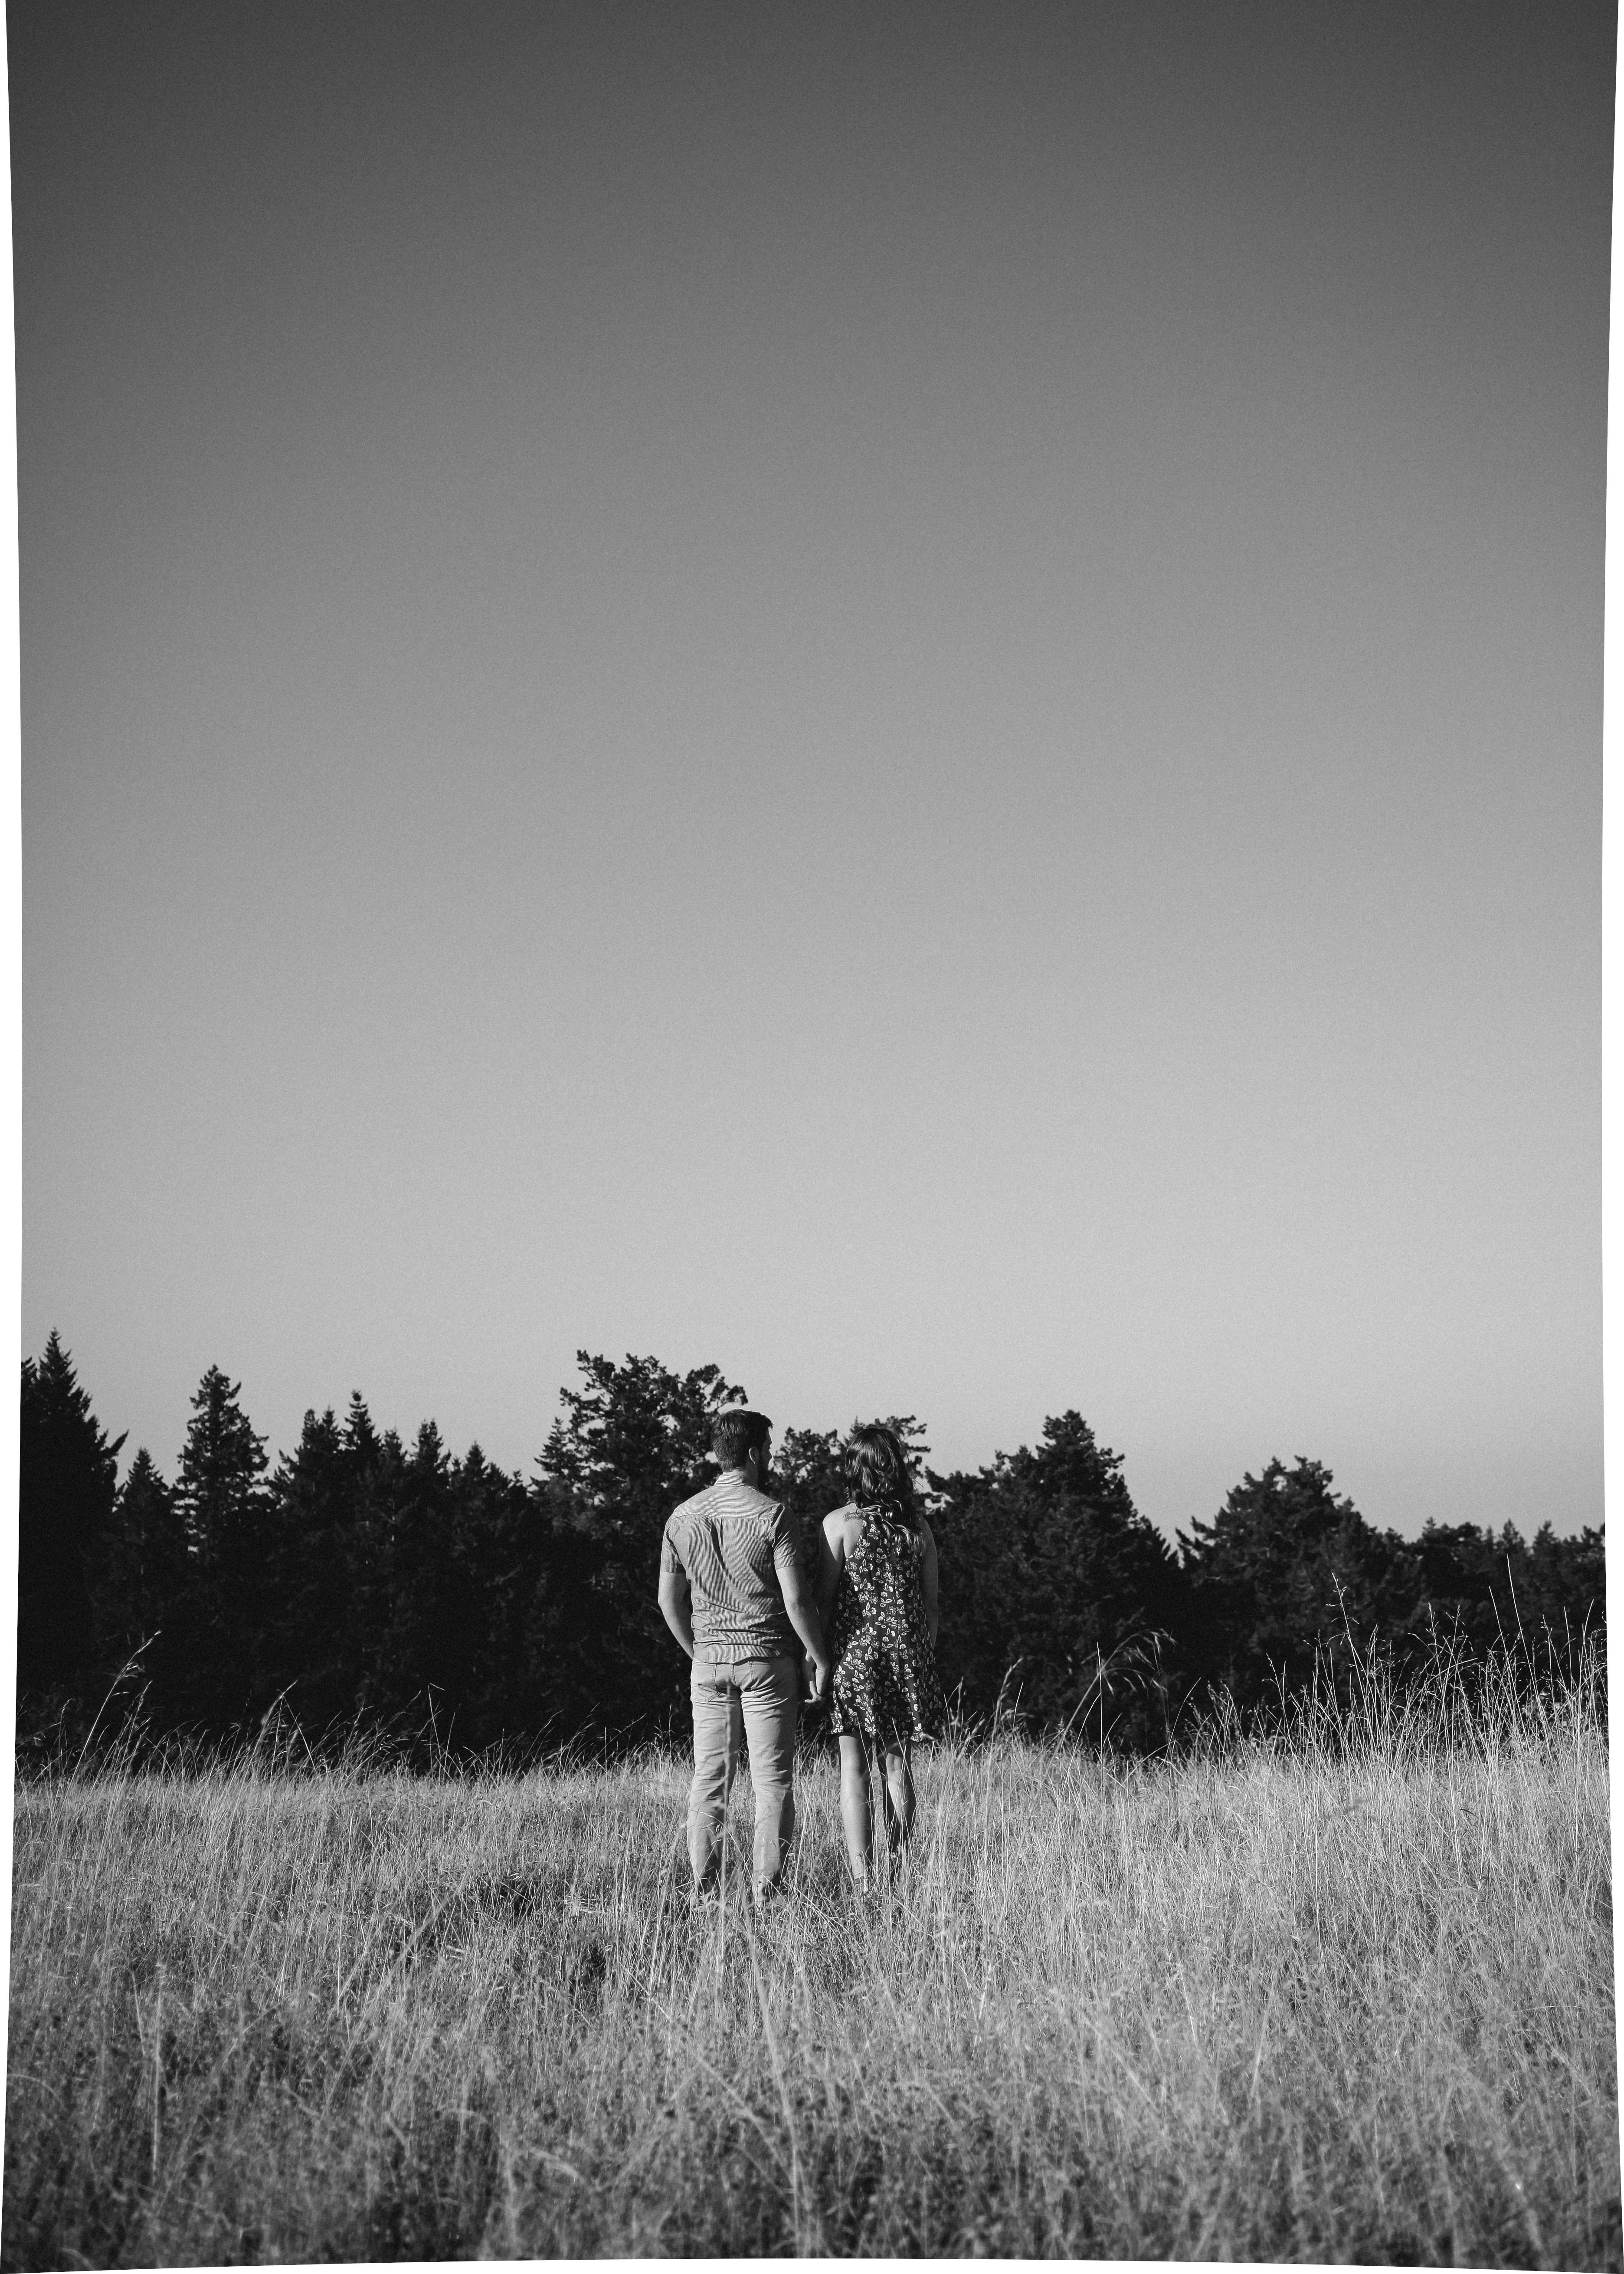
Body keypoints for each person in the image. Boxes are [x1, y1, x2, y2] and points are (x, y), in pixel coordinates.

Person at [658, 1408, 832, 1904]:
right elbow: (797, 1600)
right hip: (766, 1660)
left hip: (709, 1663)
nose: (772, 1457)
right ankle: (765, 1895)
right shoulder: (772, 1515)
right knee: (771, 1783)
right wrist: (819, 1656)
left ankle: (705, 1892)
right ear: (754, 1454)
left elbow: (668, 1601)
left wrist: (698, 1653)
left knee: (709, 1780)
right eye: (769, 1449)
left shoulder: (681, 1517)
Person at [819, 1421, 946, 1888]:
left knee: (853, 1771)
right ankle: (899, 1872)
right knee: (897, 1767)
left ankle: (863, 1881)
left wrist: (817, 1660)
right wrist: (922, 1656)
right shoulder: (918, 1528)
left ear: (855, 1469)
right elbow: (932, 1604)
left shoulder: (839, 1525)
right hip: (906, 1657)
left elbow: (823, 1600)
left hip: (855, 1658)